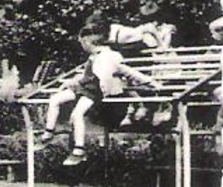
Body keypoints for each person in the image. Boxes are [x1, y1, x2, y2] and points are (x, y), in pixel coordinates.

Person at [43, 24, 160, 166]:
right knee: (54, 99)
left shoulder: (110, 57)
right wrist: (71, 81)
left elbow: (127, 71)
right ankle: (48, 133)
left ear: (87, 42)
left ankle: (79, 150)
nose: (81, 46)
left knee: (76, 115)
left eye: (81, 43)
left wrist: (150, 81)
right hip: (83, 87)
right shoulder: (94, 56)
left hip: (93, 91)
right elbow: (86, 74)